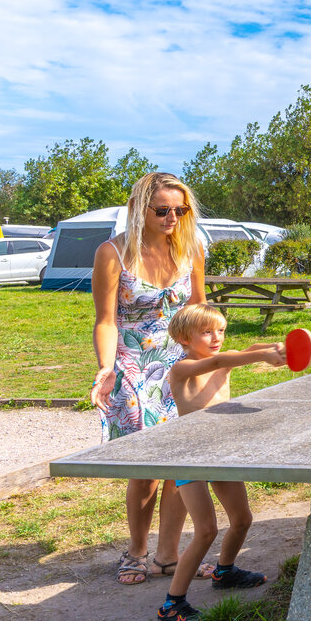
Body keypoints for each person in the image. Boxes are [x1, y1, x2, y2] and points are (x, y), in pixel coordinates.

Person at [90, 171, 208, 586]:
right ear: (140, 209)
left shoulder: (191, 251)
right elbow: (106, 320)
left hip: (178, 362)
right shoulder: (113, 253)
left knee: (182, 463)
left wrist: (210, 355)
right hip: (134, 365)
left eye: (181, 209)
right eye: (163, 210)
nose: (173, 217)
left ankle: (168, 555)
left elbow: (198, 311)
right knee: (147, 467)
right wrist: (107, 367)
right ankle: (138, 550)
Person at [157, 303, 281, 621]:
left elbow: (247, 349)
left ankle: (224, 572)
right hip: (189, 455)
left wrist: (276, 347)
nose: (217, 338)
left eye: (222, 331)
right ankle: (172, 606)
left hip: (220, 453)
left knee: (242, 519)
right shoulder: (182, 368)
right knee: (207, 529)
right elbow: (221, 360)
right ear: (184, 337)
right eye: (207, 331)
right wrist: (261, 357)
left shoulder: (223, 360)